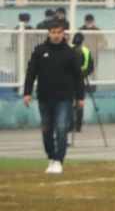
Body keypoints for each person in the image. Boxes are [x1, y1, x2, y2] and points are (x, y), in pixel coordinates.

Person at [22, 20, 86, 175]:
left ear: (63, 34)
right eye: (53, 32)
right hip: (44, 97)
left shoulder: (70, 53)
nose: (56, 35)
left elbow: (78, 76)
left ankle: (59, 160)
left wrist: (80, 97)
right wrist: (27, 92)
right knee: (46, 130)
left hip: (64, 97)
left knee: (62, 128)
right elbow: (31, 73)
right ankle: (51, 158)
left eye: (59, 32)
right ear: (49, 33)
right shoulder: (40, 50)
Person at [70, 31, 96, 135]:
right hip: (80, 78)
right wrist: (84, 73)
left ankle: (71, 124)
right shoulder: (86, 51)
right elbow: (91, 67)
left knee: (69, 101)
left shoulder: (67, 48)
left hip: (69, 79)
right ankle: (78, 125)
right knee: (79, 101)